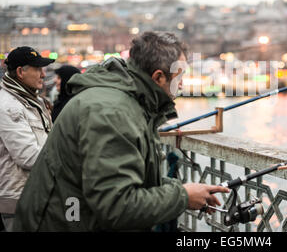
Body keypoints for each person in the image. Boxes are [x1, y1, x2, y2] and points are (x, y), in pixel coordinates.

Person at [13, 31, 229, 231]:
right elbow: (116, 205)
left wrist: (183, 190)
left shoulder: (125, 100)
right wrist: (181, 197)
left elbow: (119, 178)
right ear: (158, 77)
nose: (181, 86)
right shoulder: (112, 113)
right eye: (179, 78)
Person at [0, 46, 55, 231]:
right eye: (38, 69)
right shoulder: (8, 106)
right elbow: (28, 156)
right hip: (19, 200)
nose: (43, 74)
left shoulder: (32, 100)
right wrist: (66, 159)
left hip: (35, 194)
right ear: (20, 72)